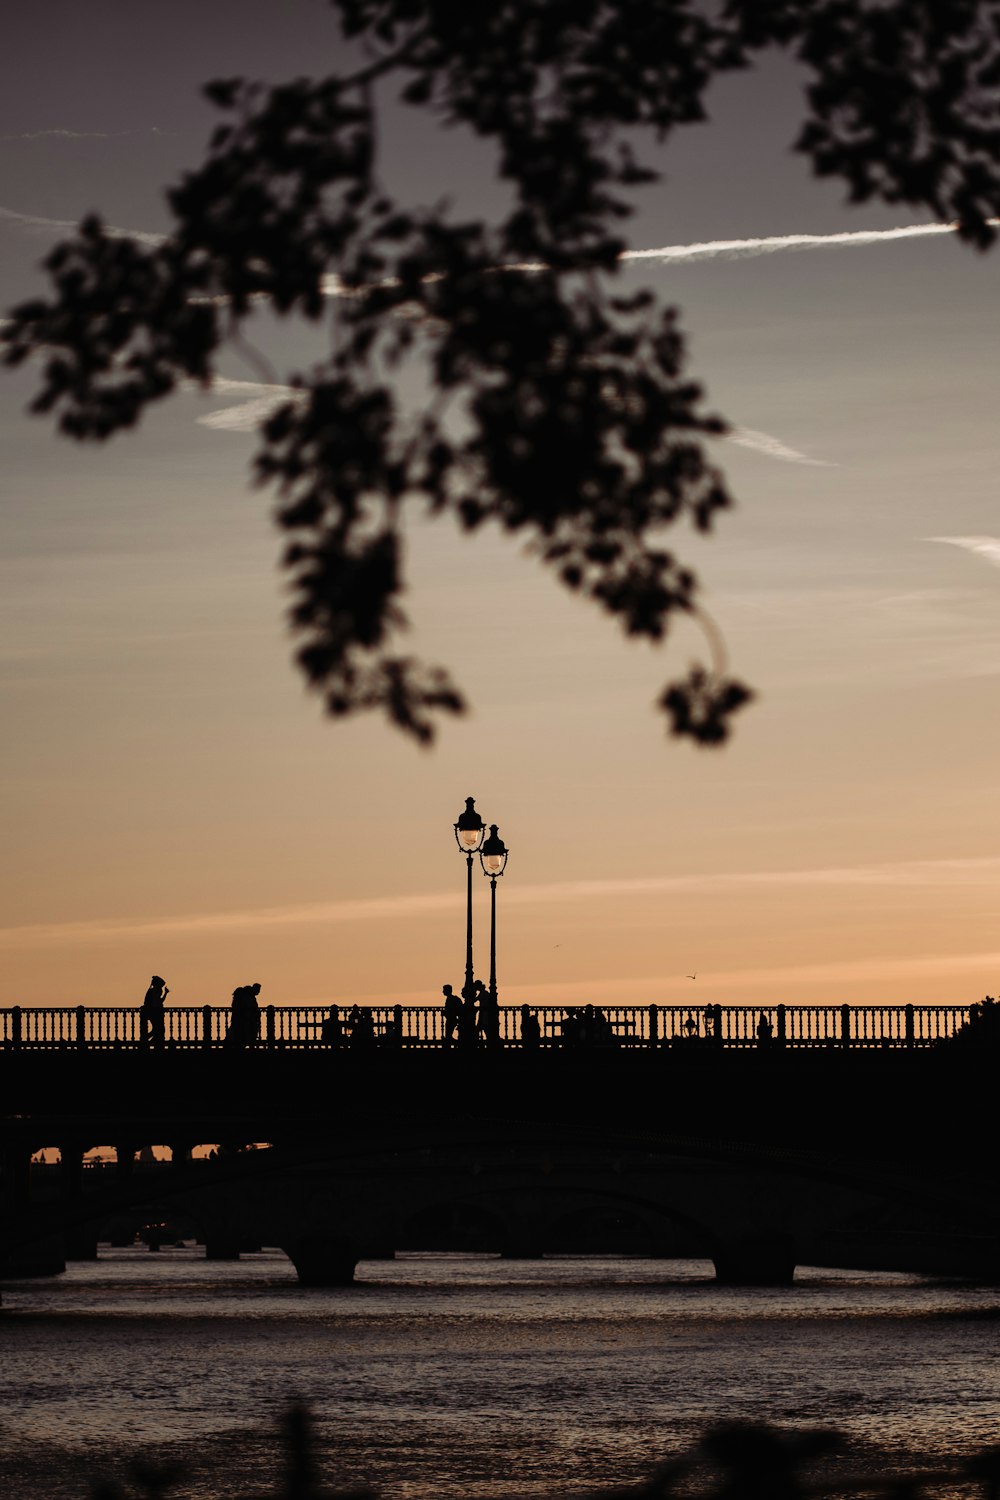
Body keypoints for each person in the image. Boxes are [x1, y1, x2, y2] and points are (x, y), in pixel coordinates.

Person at [140, 975, 169, 1049]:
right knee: (158, 1029)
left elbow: (159, 1001)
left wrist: (165, 993)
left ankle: (146, 1040)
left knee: (157, 1029)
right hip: (154, 1013)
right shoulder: (154, 991)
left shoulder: (153, 991)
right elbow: (157, 1002)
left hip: (153, 1012)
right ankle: (146, 1040)